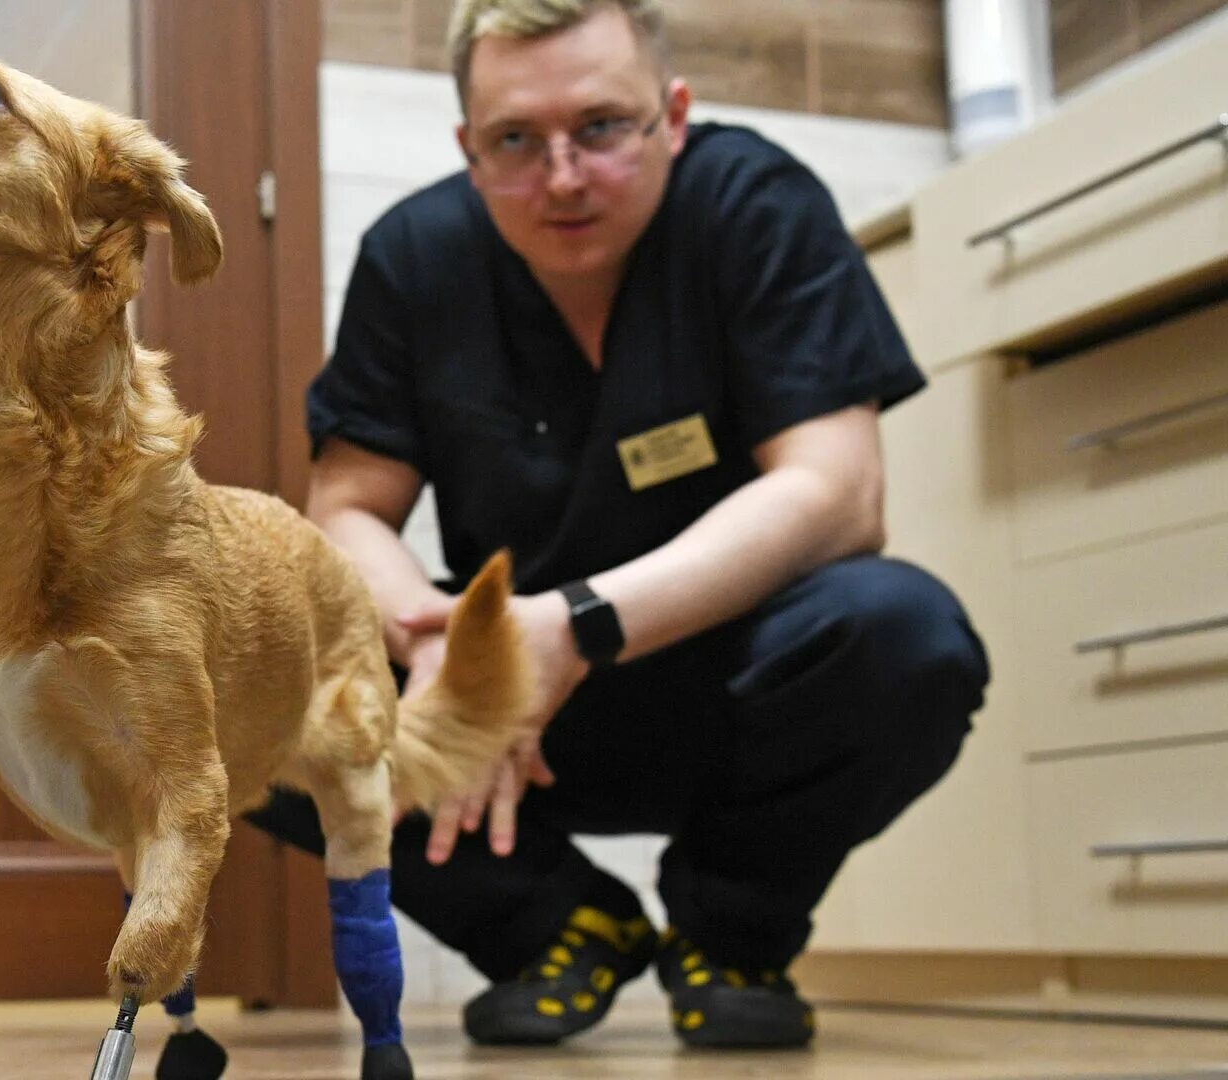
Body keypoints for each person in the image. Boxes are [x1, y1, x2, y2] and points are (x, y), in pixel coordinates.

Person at [246, 0, 990, 1051]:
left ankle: (731, 935)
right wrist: (432, 639)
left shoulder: (754, 205)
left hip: (733, 685)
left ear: (673, 115)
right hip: (509, 720)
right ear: (467, 148)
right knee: (241, 662)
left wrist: (576, 626)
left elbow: (839, 492)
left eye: (601, 127)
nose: (561, 177)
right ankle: (555, 923)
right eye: (515, 141)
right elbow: (348, 509)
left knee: (902, 634)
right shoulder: (414, 258)